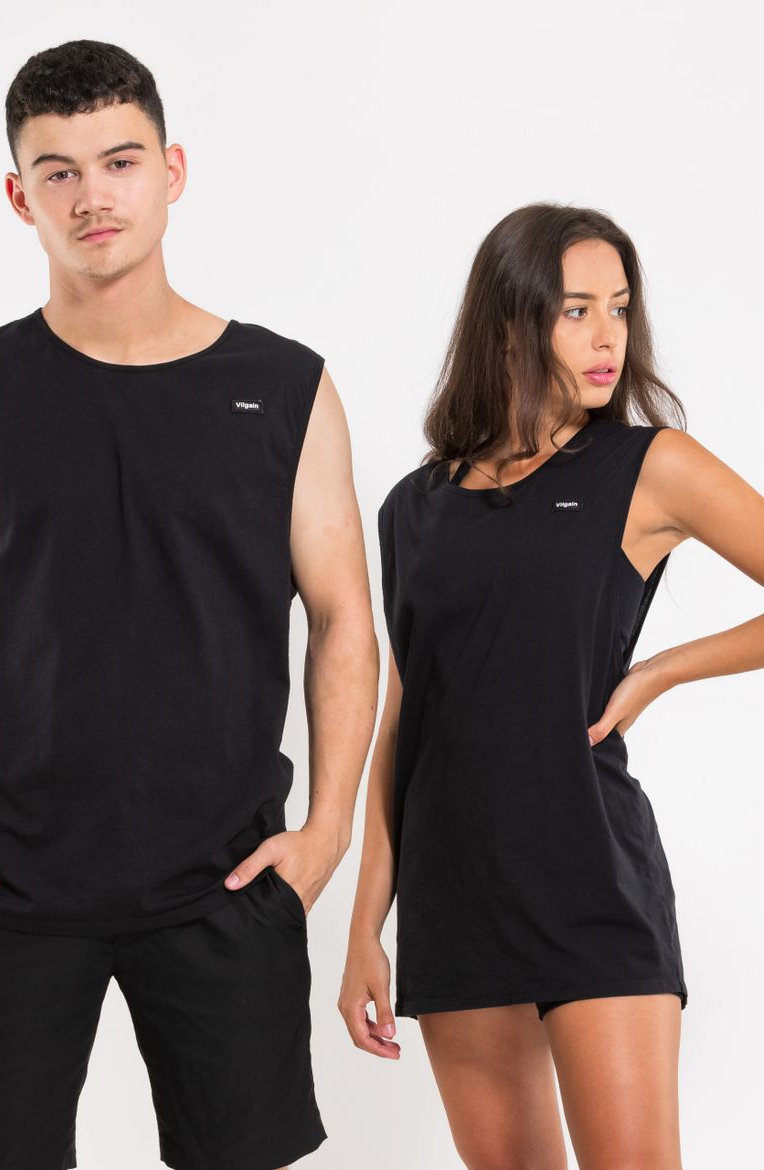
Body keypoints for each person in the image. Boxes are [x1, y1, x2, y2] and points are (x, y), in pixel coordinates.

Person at [0, 39, 378, 1170]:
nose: (93, 196)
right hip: (2, 881)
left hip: (227, 876)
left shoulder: (286, 388)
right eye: (60, 172)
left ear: (172, 173)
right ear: (20, 196)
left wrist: (328, 830)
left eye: (120, 162)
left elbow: (343, 619)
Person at [338, 203, 764, 1169]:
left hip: (591, 879)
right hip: (456, 898)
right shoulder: (414, 507)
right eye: (577, 310)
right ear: (508, 323)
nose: (609, 335)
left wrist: (659, 671)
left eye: (619, 307)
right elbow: (405, 722)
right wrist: (365, 926)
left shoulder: (650, 466)